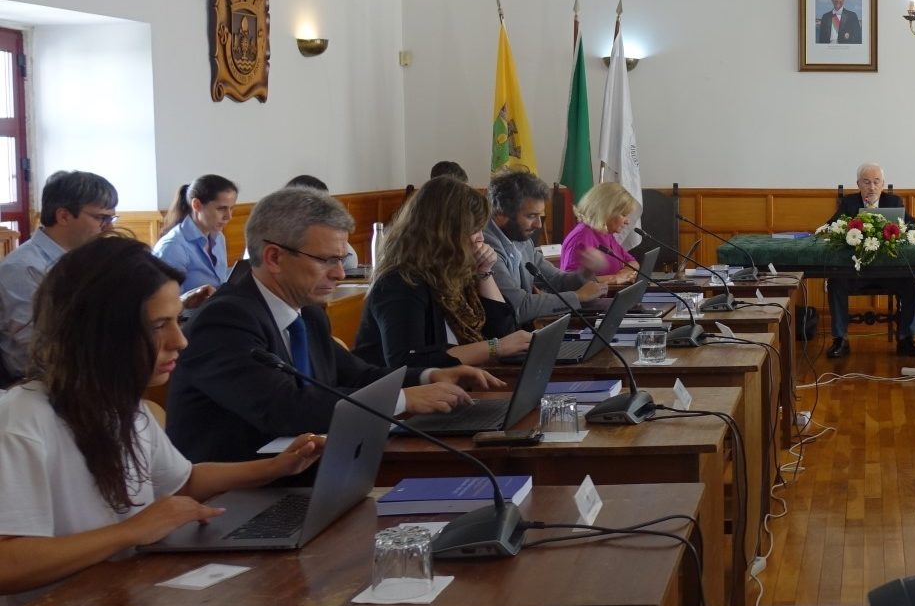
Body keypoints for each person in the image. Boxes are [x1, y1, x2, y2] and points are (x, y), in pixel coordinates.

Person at [0, 236, 324, 606]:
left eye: (179, 321)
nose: (180, 341)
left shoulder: (119, 408)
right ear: (98, 333)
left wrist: (274, 466)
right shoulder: (22, 422)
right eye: (160, 327)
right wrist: (132, 530)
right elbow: (8, 562)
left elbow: (183, 481)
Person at [167, 187, 499, 465]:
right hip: (235, 499)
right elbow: (285, 407)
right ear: (274, 258)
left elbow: (357, 374)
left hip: (307, 474)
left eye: (340, 260)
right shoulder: (225, 320)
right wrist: (403, 399)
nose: (340, 274)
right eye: (327, 260)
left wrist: (430, 376)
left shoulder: (306, 311)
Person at [355, 175, 531, 370]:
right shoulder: (400, 282)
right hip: (408, 397)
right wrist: (494, 348)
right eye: (474, 230)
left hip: (457, 389)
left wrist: (484, 272)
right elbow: (408, 362)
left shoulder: (457, 274)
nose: (481, 238)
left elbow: (505, 332)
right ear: (445, 234)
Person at [0, 170, 120, 385]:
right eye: (101, 218)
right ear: (63, 216)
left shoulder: (87, 258)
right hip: (40, 386)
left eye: (111, 218)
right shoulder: (23, 268)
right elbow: (35, 351)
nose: (109, 227)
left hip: (83, 374)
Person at [483, 170, 606, 323]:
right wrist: (578, 296)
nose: (539, 224)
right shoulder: (485, 246)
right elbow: (519, 307)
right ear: (500, 213)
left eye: (539, 216)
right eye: (531, 216)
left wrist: (586, 271)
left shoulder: (522, 240)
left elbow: (557, 280)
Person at [826, 163, 915, 359]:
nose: (872, 187)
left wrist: (905, 231)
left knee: (914, 280)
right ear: (858, 184)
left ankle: (906, 339)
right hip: (856, 272)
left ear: (883, 184)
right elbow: (830, 226)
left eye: (876, 182)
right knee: (835, 281)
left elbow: (913, 226)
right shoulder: (849, 204)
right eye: (867, 182)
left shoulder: (894, 202)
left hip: (890, 273)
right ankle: (840, 339)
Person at [153, 173, 238, 296]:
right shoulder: (172, 247)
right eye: (221, 209)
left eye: (231, 209)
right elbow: (164, 303)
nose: (228, 217)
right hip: (190, 315)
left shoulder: (218, 237)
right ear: (196, 205)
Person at [560, 181, 639, 277]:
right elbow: (570, 283)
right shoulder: (582, 236)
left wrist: (624, 274)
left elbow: (633, 263)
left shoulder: (606, 233)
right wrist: (613, 278)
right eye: (624, 215)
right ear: (606, 211)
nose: (627, 222)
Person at [284, 175, 359, 271]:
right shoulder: (281, 236)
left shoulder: (326, 231)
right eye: (320, 205)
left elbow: (350, 260)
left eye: (328, 204)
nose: (326, 211)